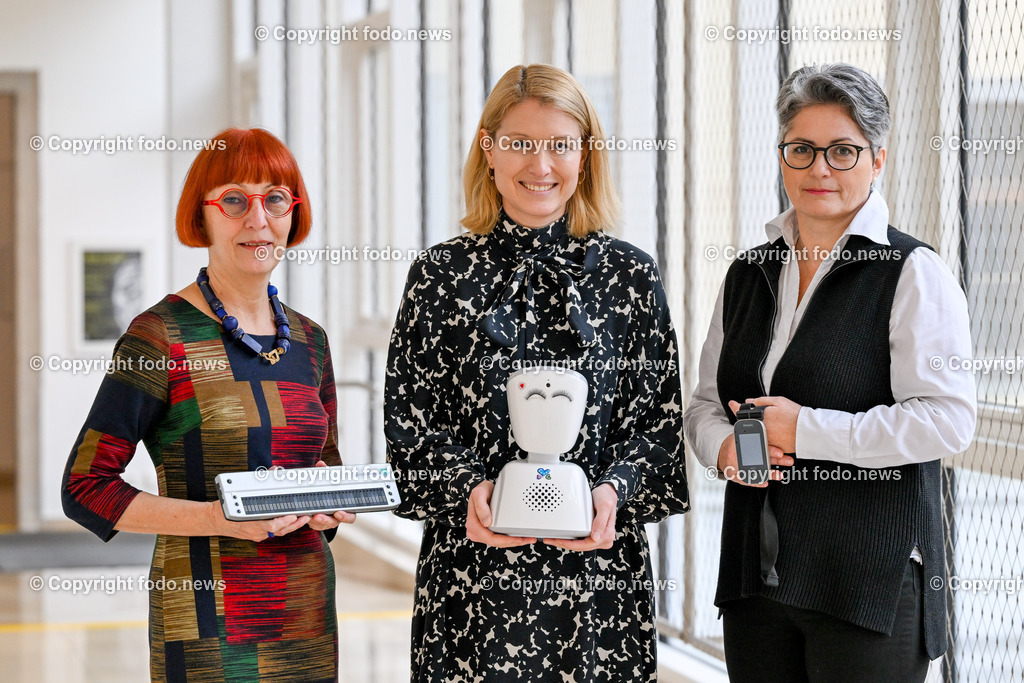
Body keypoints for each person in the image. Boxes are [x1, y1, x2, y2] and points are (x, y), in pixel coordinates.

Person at [384, 63, 689, 681]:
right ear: (489, 149)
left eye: (560, 145)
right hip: (472, 580)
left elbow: (659, 424)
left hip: (600, 583)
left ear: (585, 154)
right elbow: (411, 423)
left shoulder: (630, 277)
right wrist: (468, 492)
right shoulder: (440, 276)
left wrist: (612, 493)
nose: (540, 165)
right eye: (521, 143)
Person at [683, 63, 977, 681]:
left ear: (877, 159)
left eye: (843, 151)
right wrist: (724, 450)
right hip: (756, 577)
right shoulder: (748, 273)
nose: (820, 168)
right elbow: (707, 404)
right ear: (782, 157)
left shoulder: (912, 272)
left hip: (867, 585)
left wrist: (806, 430)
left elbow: (947, 420)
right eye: (802, 150)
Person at [62, 128, 354, 682]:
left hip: (305, 614)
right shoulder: (159, 336)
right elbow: (85, 488)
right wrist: (217, 519)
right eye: (235, 200)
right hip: (207, 618)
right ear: (203, 216)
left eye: (275, 199)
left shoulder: (310, 340)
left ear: (293, 213)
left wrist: (325, 503)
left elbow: (326, 467)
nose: (258, 219)